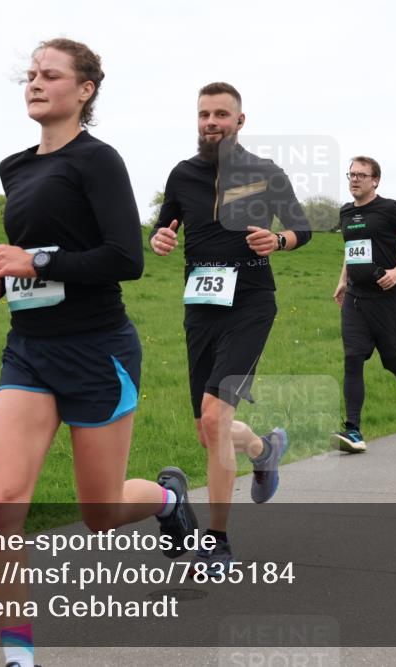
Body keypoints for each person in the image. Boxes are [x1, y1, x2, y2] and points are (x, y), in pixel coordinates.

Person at [0, 39, 196, 667]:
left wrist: (32, 260)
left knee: (100, 512)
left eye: (50, 75)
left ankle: (170, 500)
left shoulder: (98, 160)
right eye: (31, 75)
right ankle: (19, 656)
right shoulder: (14, 167)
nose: (35, 84)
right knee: (0, 502)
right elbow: (37, 251)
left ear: (85, 90)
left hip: (98, 353)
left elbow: (125, 260)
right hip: (30, 353)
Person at [149, 82, 311, 575]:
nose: (211, 122)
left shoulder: (265, 173)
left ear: (240, 121)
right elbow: (165, 226)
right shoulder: (183, 174)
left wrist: (278, 239)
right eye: (203, 114)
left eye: (221, 113)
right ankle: (266, 449)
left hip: (251, 304)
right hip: (200, 306)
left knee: (216, 420)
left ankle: (216, 540)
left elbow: (301, 227)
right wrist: (160, 238)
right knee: (206, 430)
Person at [331, 157, 396, 453]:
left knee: (391, 359)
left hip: (386, 300)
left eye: (361, 175)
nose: (355, 179)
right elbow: (352, 250)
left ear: (375, 180)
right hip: (356, 299)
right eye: (351, 174)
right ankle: (354, 431)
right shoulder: (345, 212)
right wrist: (343, 279)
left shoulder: (389, 209)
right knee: (353, 359)